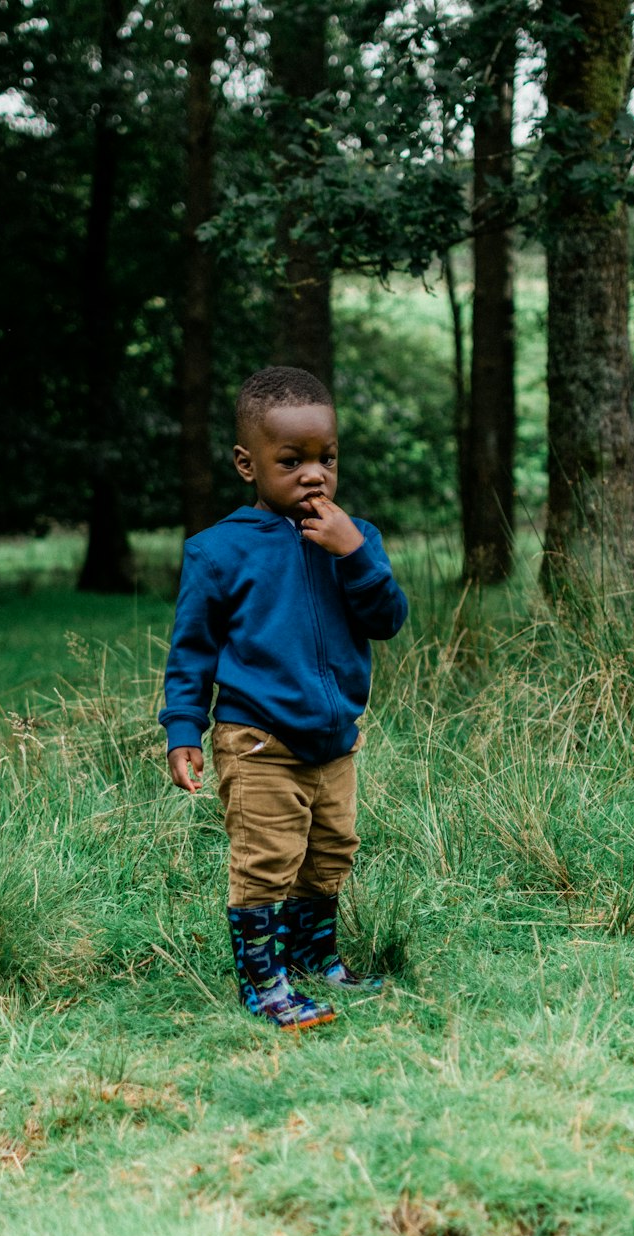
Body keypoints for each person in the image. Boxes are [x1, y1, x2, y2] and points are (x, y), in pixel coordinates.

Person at [160, 366, 408, 1030]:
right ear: (248, 463)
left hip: (336, 739)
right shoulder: (219, 552)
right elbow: (191, 651)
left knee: (331, 851)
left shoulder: (356, 540)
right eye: (291, 460)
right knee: (268, 859)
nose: (313, 475)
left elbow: (388, 618)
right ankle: (262, 981)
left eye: (325, 458)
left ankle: (314, 958)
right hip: (259, 739)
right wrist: (182, 727)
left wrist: (354, 552)